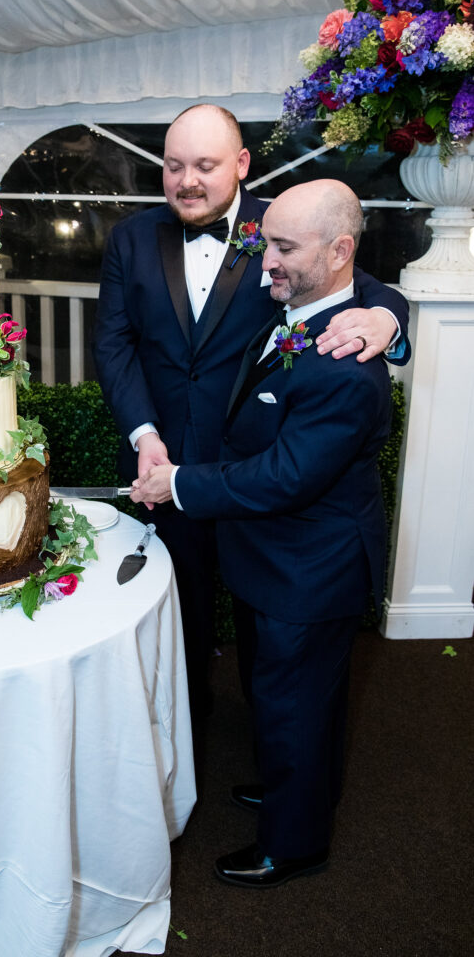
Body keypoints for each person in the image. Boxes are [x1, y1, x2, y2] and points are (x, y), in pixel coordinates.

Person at [93, 103, 409, 721]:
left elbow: (360, 282)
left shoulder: (283, 227)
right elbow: (114, 344)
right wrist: (143, 434)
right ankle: (182, 734)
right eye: (174, 165)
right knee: (175, 614)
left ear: (240, 164)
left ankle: (278, 751)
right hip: (166, 463)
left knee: (269, 632)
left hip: (260, 469)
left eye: (205, 166)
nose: (187, 181)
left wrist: (386, 318)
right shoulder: (130, 239)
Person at [131, 179, 392, 887]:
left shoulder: (347, 366)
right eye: (264, 241)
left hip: (309, 568)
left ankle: (295, 840)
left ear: (340, 252)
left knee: (294, 704)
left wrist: (179, 483)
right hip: (278, 557)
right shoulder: (301, 309)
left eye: (282, 247)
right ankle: (298, 790)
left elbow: (283, 477)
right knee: (301, 700)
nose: (264, 260)